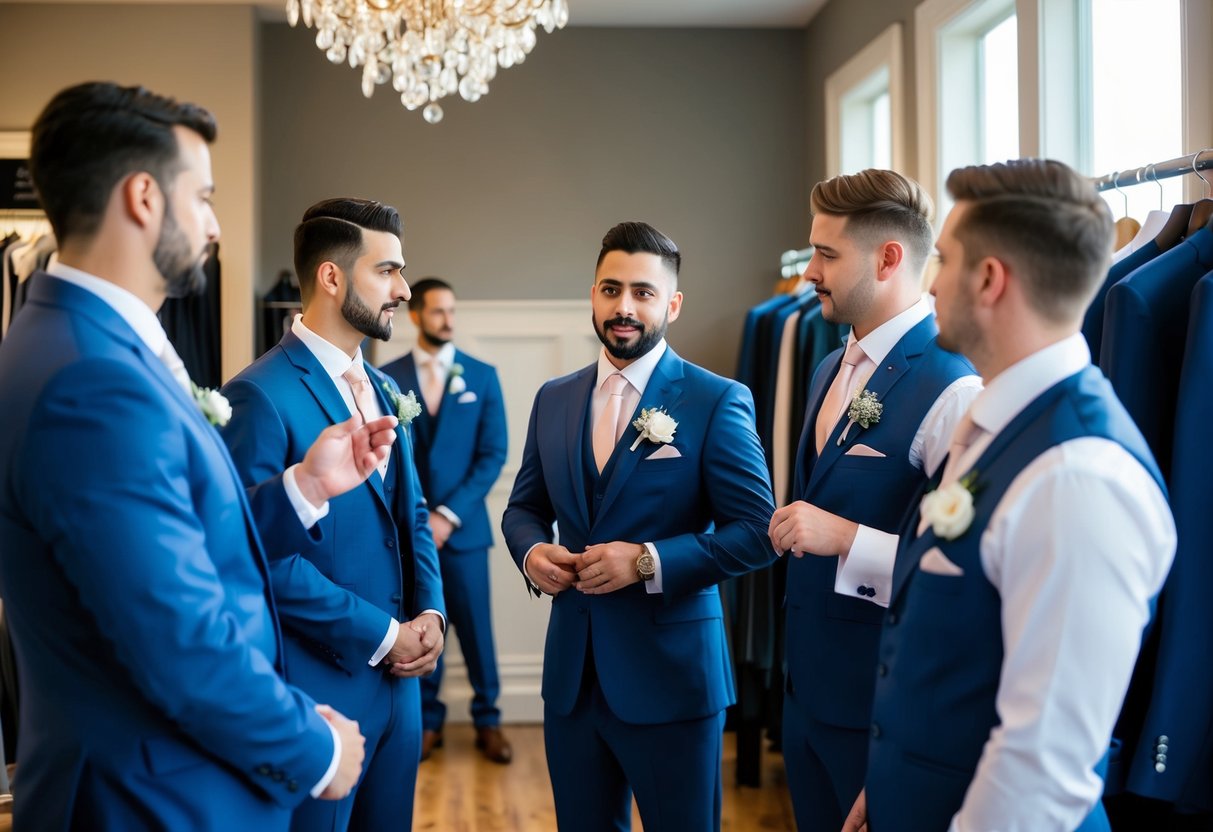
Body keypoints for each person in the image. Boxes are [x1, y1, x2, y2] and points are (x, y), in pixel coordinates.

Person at [0, 81, 388, 829]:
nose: (213, 224)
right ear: (144, 198)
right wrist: (313, 746)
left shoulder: (81, 342)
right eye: (202, 197)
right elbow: (175, 633)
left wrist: (303, 487)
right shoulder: (92, 380)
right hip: (150, 795)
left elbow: (170, 548)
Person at [844, 159, 1177, 832]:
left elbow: (1041, 767)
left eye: (941, 259)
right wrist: (889, 786)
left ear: (989, 280)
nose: (929, 281)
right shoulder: (993, 423)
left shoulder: (1076, 480)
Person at [501, 221, 777, 831]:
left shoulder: (716, 399)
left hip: (674, 679)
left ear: (672, 303)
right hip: (573, 681)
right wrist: (531, 552)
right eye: (610, 289)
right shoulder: (554, 397)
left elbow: (759, 531)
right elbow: (523, 507)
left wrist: (648, 560)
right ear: (593, 295)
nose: (624, 307)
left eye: (644, 293)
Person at [220, 198, 445, 831]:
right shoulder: (259, 395)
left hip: (401, 690)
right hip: (318, 690)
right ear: (332, 277)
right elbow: (259, 554)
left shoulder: (387, 390)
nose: (404, 290)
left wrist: (429, 615)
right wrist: (382, 633)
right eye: (389, 271)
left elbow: (413, 516)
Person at [767, 169, 979, 832]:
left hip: (883, 712)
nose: (808, 274)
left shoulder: (953, 388)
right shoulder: (831, 366)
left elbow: (961, 572)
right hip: (805, 699)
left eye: (825, 255)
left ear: (888, 257)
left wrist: (843, 538)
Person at [380, 278, 511, 764]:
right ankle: (428, 721)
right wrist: (419, 519)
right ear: (416, 316)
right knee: (421, 624)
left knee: (478, 630)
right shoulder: (386, 377)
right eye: (437, 311)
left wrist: (448, 516)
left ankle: (489, 721)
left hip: (466, 534)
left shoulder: (482, 375)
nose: (447, 319)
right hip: (409, 534)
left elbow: (493, 453)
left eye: (452, 311)